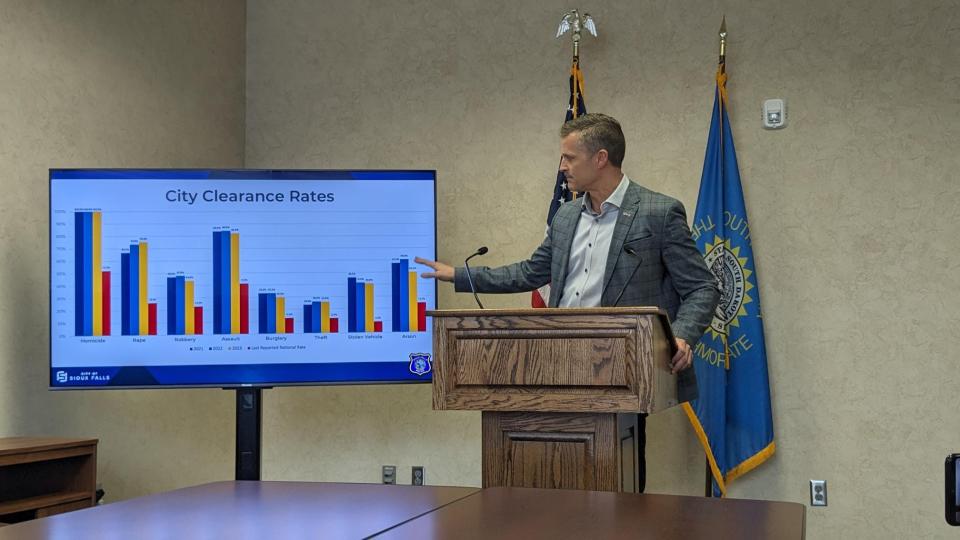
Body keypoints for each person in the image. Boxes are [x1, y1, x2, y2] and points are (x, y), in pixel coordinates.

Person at [416, 113, 719, 492]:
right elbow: (530, 272)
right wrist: (460, 275)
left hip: (621, 370)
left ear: (600, 158)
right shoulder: (566, 215)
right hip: (554, 366)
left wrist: (684, 336)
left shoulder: (658, 213)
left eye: (569, 158)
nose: (562, 168)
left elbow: (702, 287)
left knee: (616, 494)